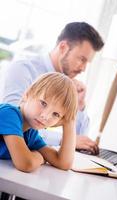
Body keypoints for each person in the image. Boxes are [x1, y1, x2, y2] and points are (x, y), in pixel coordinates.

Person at [0, 22, 104, 154]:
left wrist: (79, 105)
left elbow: (81, 140)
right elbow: (15, 124)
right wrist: (63, 140)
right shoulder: (23, 69)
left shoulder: (66, 86)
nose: (83, 69)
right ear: (63, 47)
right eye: (82, 59)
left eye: (86, 63)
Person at [0, 72, 78, 172]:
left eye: (55, 114)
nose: (45, 116)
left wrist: (69, 122)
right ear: (28, 93)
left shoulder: (30, 134)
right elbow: (26, 164)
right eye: (43, 103)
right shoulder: (8, 114)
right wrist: (40, 157)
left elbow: (63, 163)